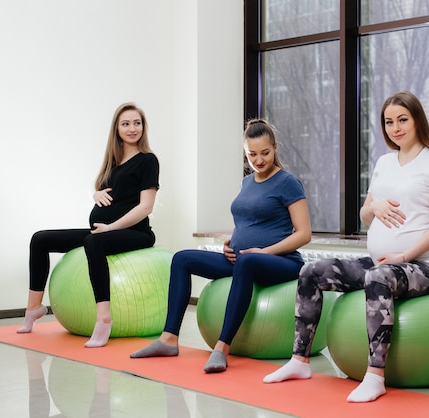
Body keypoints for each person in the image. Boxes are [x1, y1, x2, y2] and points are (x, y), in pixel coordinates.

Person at [262, 91, 429, 403]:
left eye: (403, 119)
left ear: (418, 120)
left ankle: (375, 376)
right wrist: (376, 207)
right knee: (310, 271)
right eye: (389, 122)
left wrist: (403, 256)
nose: (396, 127)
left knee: (377, 279)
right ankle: (299, 361)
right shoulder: (384, 162)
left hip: (426, 266)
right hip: (379, 261)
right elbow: (365, 214)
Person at [130, 119, 312, 374]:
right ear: (245, 152)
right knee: (181, 259)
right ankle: (168, 339)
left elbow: (304, 234)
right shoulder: (247, 183)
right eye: (252, 154)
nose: (258, 160)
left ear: (275, 148)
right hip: (241, 260)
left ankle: (221, 348)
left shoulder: (288, 182)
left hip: (280, 262)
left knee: (248, 261)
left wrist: (264, 252)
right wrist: (232, 241)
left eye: (265, 153)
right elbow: (247, 221)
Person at [17, 102, 160, 348]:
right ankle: (33, 309)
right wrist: (96, 195)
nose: (132, 128)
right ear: (116, 128)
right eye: (126, 123)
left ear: (143, 127)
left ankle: (103, 319)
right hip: (104, 230)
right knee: (40, 239)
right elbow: (111, 191)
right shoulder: (114, 161)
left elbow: (145, 207)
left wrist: (111, 227)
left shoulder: (148, 160)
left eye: (137, 123)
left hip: (136, 232)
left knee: (93, 242)